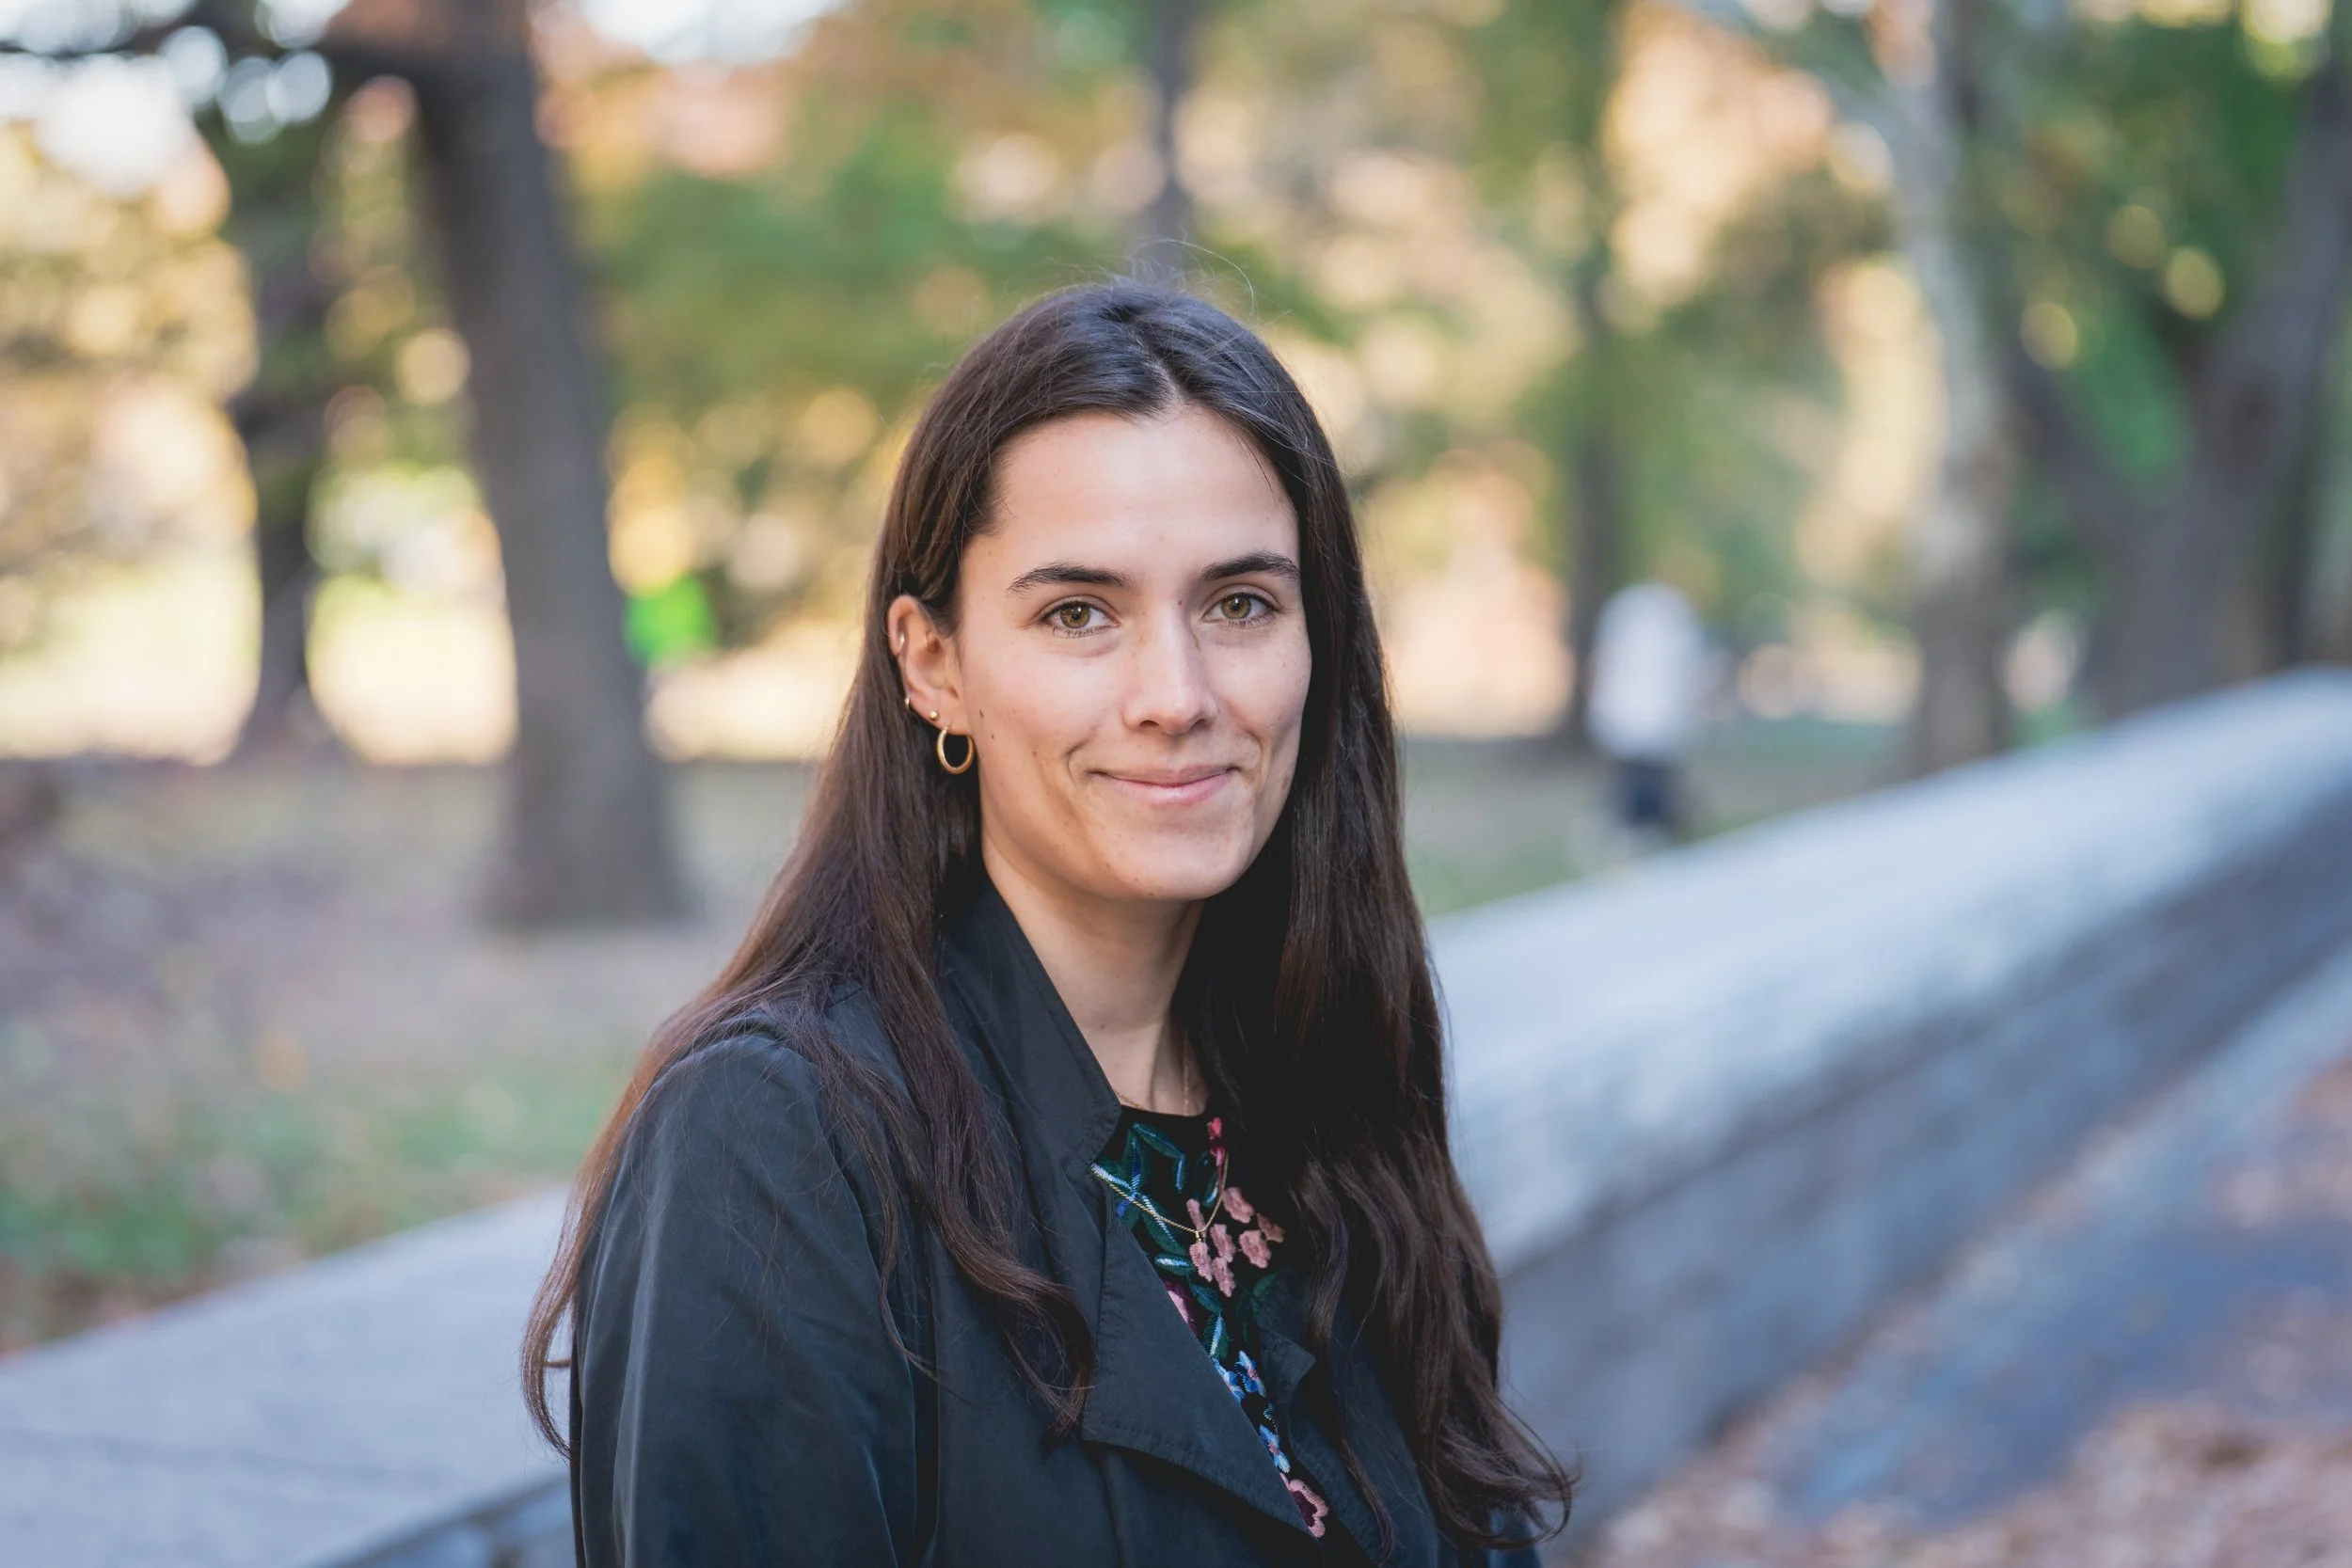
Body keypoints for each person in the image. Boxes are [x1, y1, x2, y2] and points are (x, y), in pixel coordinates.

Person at [523, 280, 1575, 1566]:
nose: (1176, 695)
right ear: (933, 662)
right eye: (1079, 612)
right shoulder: (777, 1142)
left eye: (1240, 603)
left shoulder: (1331, 1078)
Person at [1585, 580, 1709, 847]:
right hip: (1639, 718)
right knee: (1639, 777)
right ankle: (1642, 823)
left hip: (1643, 718)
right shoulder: (1657, 619)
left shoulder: (1646, 617)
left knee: (1647, 776)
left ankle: (1652, 822)